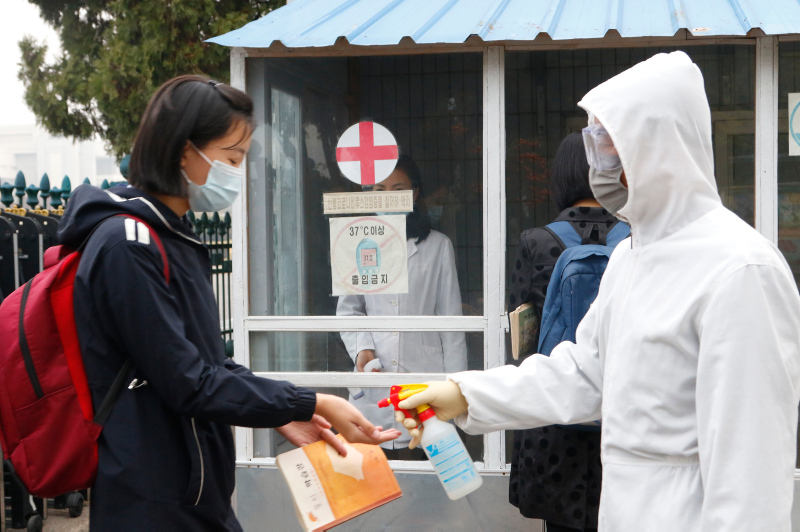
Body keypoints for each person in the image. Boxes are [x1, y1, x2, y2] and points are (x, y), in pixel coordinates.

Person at [397, 51, 800, 530]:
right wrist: (466, 394)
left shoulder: (739, 268)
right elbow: (584, 375)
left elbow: (750, 476)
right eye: (594, 141)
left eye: (609, 143)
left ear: (658, 146)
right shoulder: (631, 256)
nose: (598, 160)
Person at [57, 75, 399, 530]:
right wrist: (308, 401)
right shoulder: (127, 245)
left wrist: (287, 414)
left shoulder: (173, 237)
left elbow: (209, 364)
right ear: (184, 152)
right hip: (151, 502)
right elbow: (189, 382)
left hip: (194, 493)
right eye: (231, 157)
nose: (238, 172)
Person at [508, 132, 623, 531]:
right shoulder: (638, 240)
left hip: (556, 418)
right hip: (622, 413)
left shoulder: (536, 243)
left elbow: (522, 340)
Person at [336, 154, 467, 457]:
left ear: (415, 192)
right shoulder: (357, 243)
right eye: (379, 190)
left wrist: (455, 390)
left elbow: (451, 322)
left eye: (398, 189)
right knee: (375, 481)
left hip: (424, 381)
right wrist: (362, 348)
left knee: (427, 478)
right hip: (374, 382)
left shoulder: (438, 246)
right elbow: (349, 309)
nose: (388, 198)